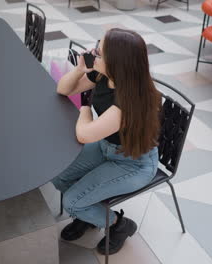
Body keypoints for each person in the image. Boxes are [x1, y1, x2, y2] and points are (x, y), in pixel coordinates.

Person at [52, 28, 161, 255]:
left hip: (133, 163)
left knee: (72, 202)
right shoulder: (103, 75)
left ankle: (119, 225)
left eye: (99, 53)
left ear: (116, 63)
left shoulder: (127, 101)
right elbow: (63, 89)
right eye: (96, 46)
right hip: (106, 148)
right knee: (59, 174)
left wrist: (84, 107)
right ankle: (88, 214)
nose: (93, 52)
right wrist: (81, 68)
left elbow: (84, 134)